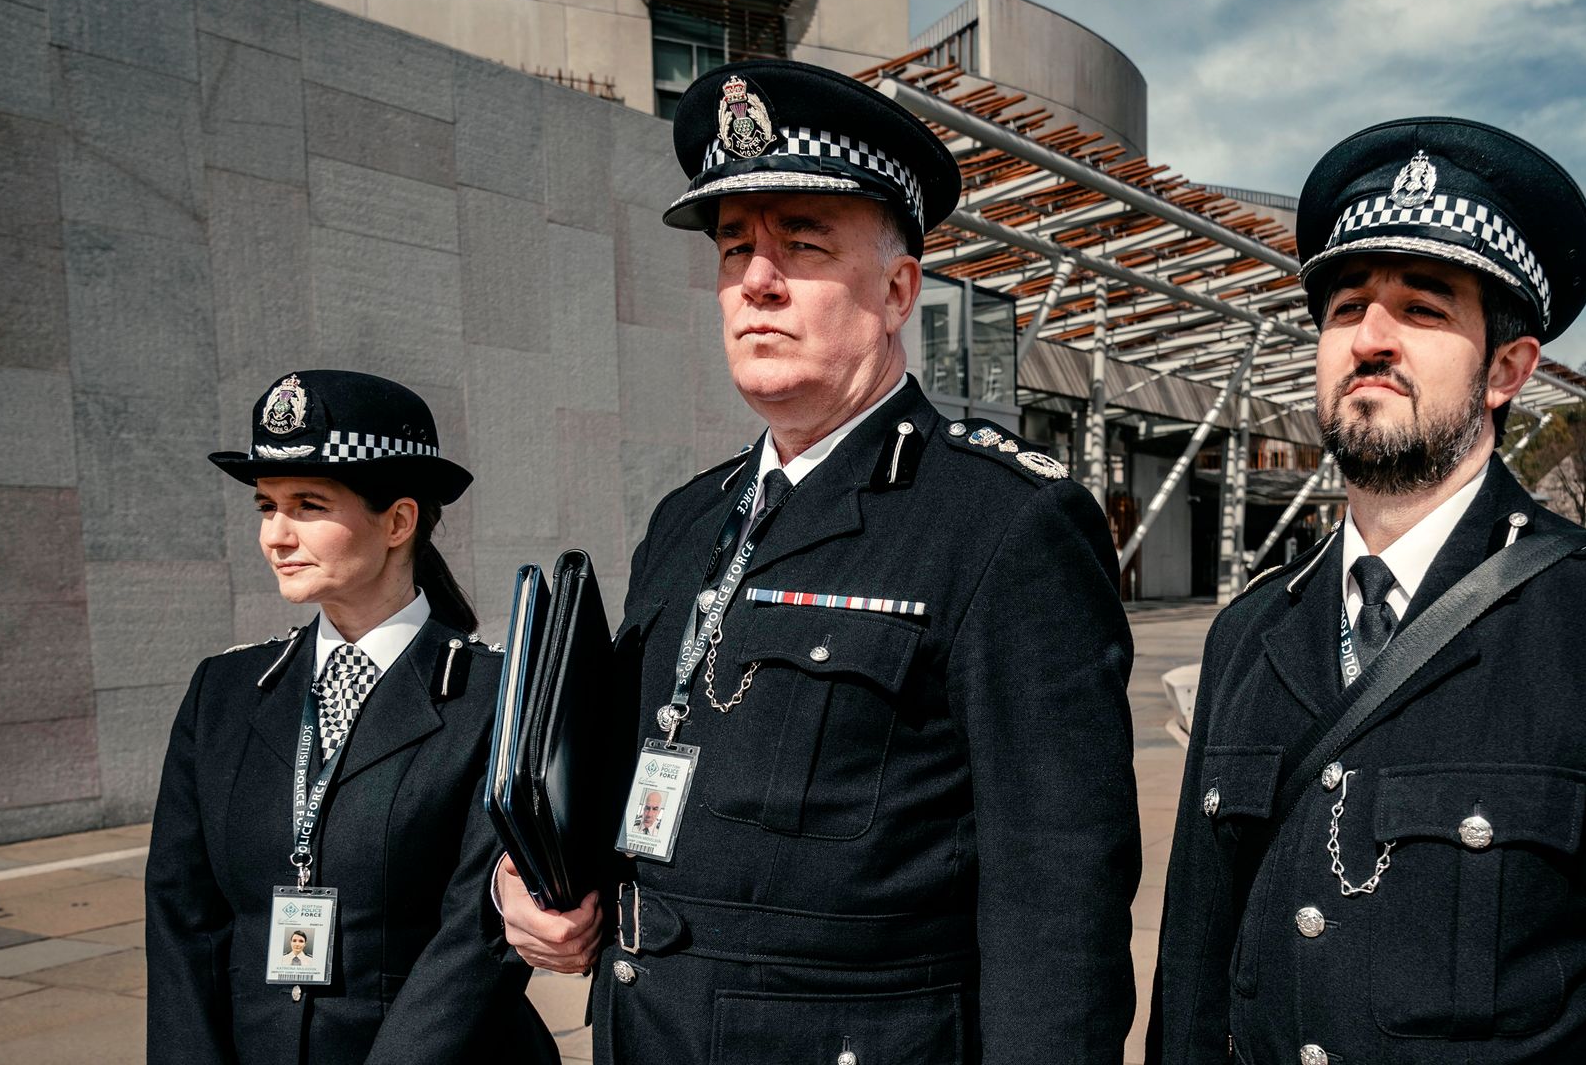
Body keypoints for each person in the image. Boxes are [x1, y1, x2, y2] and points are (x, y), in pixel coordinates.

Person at [496, 59, 1142, 1062]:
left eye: (802, 243)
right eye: (735, 247)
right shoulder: (686, 518)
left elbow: (1059, 905)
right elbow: (633, 762)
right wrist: (539, 879)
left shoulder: (1002, 522)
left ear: (897, 290)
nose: (757, 281)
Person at [1145, 118, 1586, 1065]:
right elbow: (1192, 992)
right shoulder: (1248, 634)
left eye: (1422, 308)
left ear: (1506, 370)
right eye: (1345, 308)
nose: (1370, 338)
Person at [145, 371, 557, 1064]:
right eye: (266, 506)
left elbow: (478, 934)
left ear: (398, 522)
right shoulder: (224, 691)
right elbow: (180, 914)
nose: (276, 536)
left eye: (308, 506)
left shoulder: (497, 696)